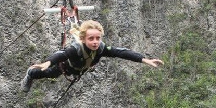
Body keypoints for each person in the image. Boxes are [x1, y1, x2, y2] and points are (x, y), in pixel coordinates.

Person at [22, 21, 163, 91]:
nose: (95, 42)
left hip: (79, 69)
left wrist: (145, 60)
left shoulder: (101, 48)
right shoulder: (76, 48)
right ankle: (30, 73)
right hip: (64, 67)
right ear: (83, 39)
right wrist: (48, 62)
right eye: (91, 39)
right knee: (47, 74)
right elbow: (62, 54)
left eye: (98, 38)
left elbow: (122, 52)